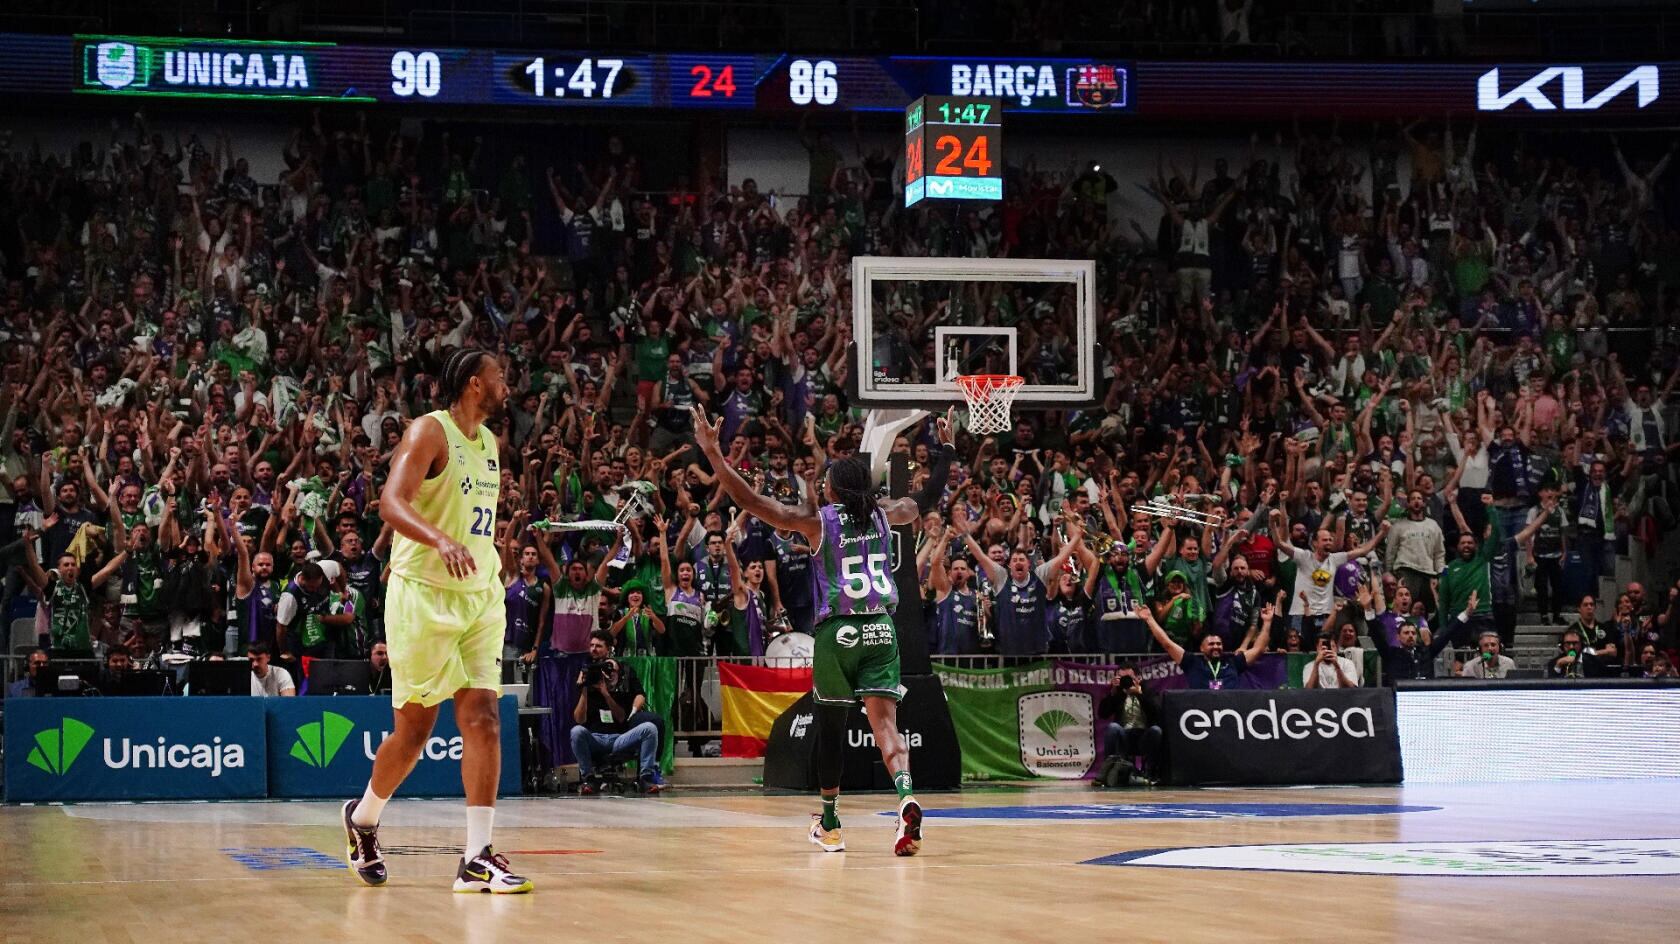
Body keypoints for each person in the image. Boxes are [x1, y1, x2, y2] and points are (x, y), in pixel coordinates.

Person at [692, 402, 955, 857]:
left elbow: (751, 502)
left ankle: (831, 823)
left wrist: (714, 455)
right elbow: (928, 496)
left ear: (834, 488)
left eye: (826, 479)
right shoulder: (886, 513)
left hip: (839, 632)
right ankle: (906, 795)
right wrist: (947, 449)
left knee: (831, 729)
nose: (821, 484)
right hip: (882, 628)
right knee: (887, 727)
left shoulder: (818, 523)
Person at [341, 349, 531, 894]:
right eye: (499, 376)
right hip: (423, 596)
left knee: (484, 718)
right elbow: (390, 502)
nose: (507, 384)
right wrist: (440, 539)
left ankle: (476, 858)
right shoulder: (430, 431)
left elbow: (471, 520)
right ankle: (363, 818)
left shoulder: (490, 443)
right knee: (414, 732)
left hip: (479, 595)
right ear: (475, 384)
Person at [569, 629, 663, 794]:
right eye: (591, 645)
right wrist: (584, 688)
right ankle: (588, 779)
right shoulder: (586, 672)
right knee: (576, 731)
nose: (593, 649)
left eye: (598, 646)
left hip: (619, 738)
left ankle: (645, 778)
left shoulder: (623, 674)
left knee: (650, 728)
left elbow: (621, 718)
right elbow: (579, 719)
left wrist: (605, 693)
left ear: (608, 649)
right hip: (595, 737)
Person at [1135, 602, 1271, 690]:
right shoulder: (1192, 662)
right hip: (1201, 713)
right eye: (1211, 644)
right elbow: (1167, 644)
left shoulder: (1233, 662)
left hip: (1231, 711)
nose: (1216, 646)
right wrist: (1149, 619)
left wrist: (1267, 622)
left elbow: (1258, 649)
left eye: (1219, 644)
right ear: (1201, 648)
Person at [1095, 667, 1162, 785]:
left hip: (1143, 737)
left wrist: (1139, 694)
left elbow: (1157, 713)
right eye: (1122, 678)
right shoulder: (1118, 694)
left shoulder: (1148, 692)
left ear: (1138, 678)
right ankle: (1107, 772)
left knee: (1156, 730)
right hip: (1123, 737)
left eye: (1129, 678)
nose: (1126, 681)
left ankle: (1152, 774)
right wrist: (1113, 693)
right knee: (1113, 727)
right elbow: (1102, 714)